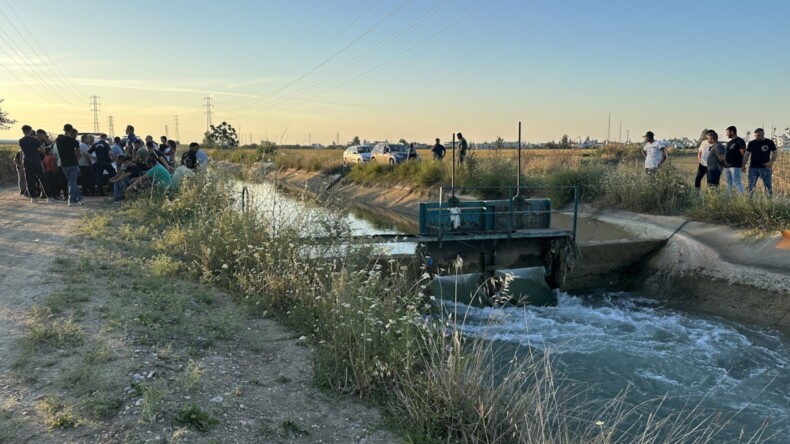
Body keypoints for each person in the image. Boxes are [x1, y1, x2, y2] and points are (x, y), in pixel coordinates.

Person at [19, 124, 53, 203]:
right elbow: (42, 150)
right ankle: (49, 197)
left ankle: (33, 198)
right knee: (42, 178)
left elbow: (22, 152)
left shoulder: (21, 140)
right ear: (30, 131)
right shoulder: (35, 140)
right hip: (36, 160)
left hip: (26, 160)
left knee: (29, 179)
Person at [742, 128, 778, 196]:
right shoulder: (751, 143)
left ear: (763, 134)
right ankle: (750, 200)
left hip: (765, 167)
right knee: (751, 186)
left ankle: (770, 200)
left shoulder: (769, 142)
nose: (757, 137)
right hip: (753, 167)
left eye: (758, 135)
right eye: (755, 135)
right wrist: (743, 165)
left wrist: (771, 161)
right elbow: (746, 154)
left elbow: (775, 152)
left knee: (768, 185)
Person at [55, 124, 83, 206]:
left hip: (63, 164)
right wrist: (77, 155)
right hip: (73, 163)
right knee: (73, 182)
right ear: (71, 130)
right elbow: (78, 153)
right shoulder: (74, 141)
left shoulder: (59, 140)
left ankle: (80, 198)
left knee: (71, 182)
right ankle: (71, 200)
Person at [724, 126, 746, 193]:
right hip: (727, 166)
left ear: (732, 132)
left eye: (727, 132)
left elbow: (743, 154)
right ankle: (728, 198)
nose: (726, 134)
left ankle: (741, 197)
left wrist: (743, 165)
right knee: (728, 183)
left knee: (737, 182)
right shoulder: (729, 142)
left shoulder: (740, 141)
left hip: (735, 165)